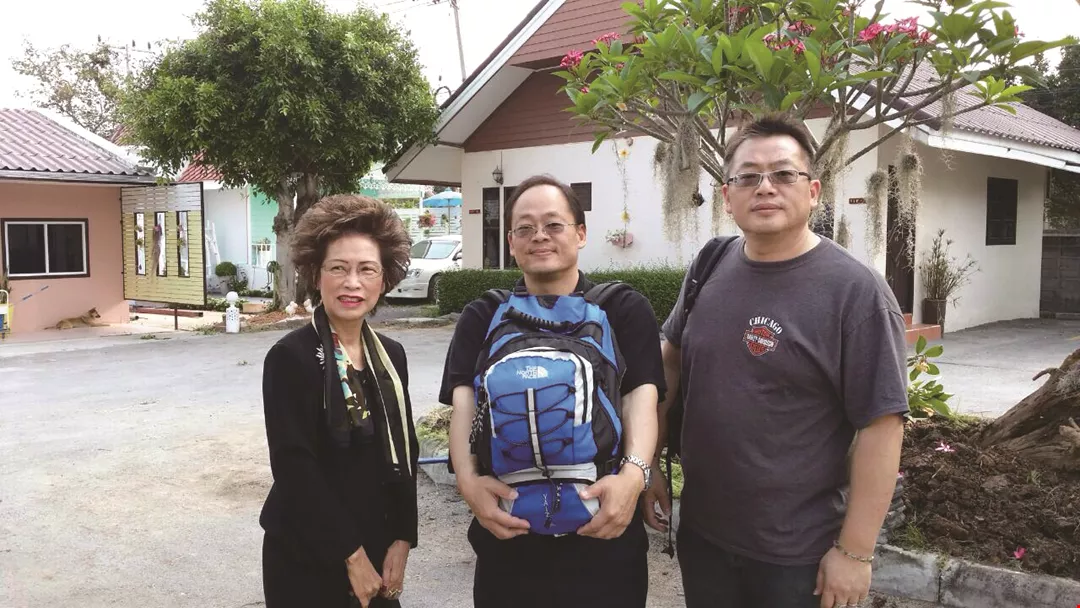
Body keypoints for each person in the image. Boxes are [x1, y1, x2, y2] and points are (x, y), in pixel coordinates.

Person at [644, 114, 908, 608]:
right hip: (703, 535)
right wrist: (647, 463)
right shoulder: (709, 265)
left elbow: (882, 425)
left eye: (784, 174)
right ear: (727, 197)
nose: (765, 187)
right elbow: (669, 364)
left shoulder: (856, 292)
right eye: (748, 177)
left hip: (799, 554)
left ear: (813, 191)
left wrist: (855, 552)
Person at [439, 174, 665, 608]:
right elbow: (463, 402)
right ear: (510, 242)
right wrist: (468, 482)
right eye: (524, 228)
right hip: (509, 537)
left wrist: (633, 478)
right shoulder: (483, 313)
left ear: (580, 233)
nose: (539, 236)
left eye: (553, 225)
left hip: (603, 536)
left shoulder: (622, 307)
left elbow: (641, 397)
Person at [259, 194, 420, 608]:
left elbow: (406, 449)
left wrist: (403, 538)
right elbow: (294, 466)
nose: (352, 282)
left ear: (384, 279)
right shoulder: (291, 357)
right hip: (307, 551)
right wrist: (351, 555)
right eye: (338, 268)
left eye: (367, 269)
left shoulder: (391, 356)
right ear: (316, 275)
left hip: (378, 542)